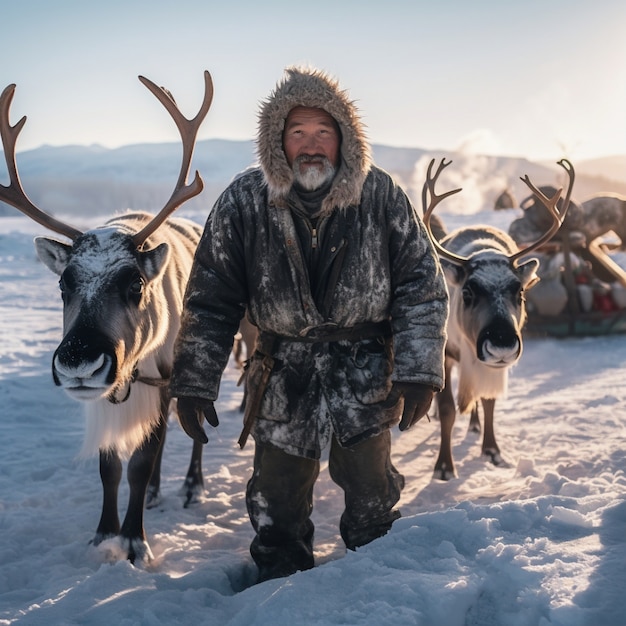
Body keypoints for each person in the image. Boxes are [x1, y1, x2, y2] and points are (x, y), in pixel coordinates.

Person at [170, 66, 449, 583]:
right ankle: (277, 597)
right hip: (281, 374)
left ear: (344, 139)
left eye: (323, 132)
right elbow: (211, 299)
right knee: (275, 504)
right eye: (297, 133)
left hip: (365, 374)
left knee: (372, 501)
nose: (311, 145)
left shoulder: (382, 195)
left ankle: (378, 595)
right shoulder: (243, 201)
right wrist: (193, 381)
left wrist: (419, 369)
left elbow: (421, 287)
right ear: (278, 142)